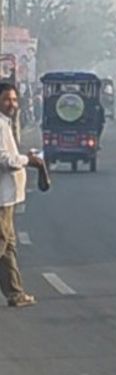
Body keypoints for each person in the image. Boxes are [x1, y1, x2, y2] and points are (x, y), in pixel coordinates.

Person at [0, 82, 43, 308]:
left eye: (15, 100)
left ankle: (15, 293)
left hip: (7, 198)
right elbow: (5, 160)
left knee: (8, 248)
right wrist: (28, 160)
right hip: (1, 198)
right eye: (7, 99)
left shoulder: (6, 124)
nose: (12, 104)